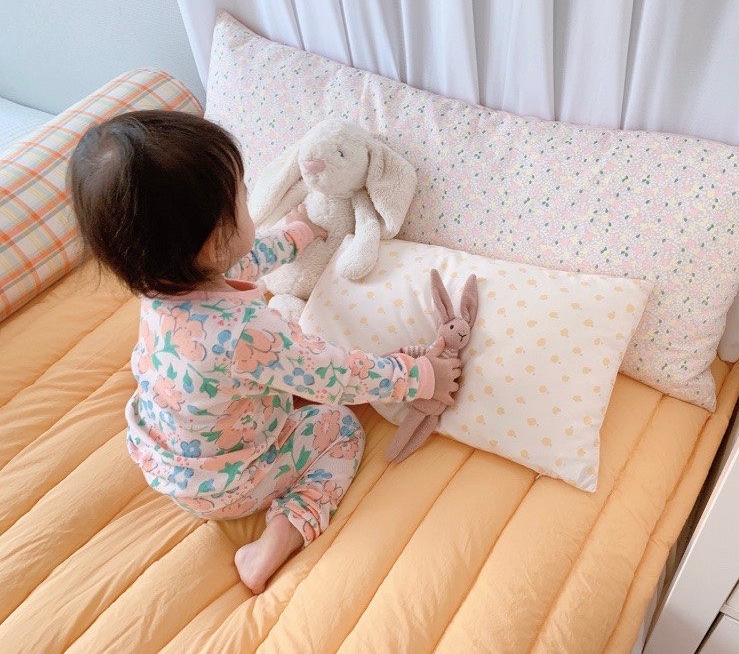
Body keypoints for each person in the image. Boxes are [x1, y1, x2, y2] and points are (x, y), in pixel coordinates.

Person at [68, 110, 460, 593]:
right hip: (231, 483)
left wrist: (298, 235)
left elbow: (242, 262)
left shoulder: (161, 286)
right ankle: (276, 541)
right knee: (339, 427)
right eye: (241, 196)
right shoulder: (246, 333)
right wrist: (419, 376)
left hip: (166, 460)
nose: (249, 199)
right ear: (215, 242)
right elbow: (335, 374)